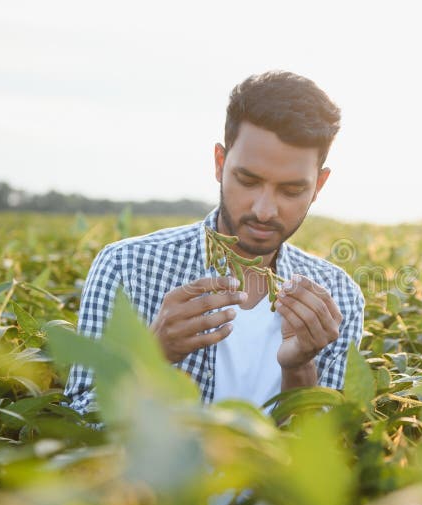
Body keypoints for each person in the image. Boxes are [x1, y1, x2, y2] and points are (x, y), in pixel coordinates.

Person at [64, 71, 365, 413]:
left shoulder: (338, 296)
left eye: (292, 190)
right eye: (248, 180)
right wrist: (152, 355)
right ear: (220, 163)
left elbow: (323, 453)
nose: (264, 210)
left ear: (319, 186)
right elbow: (78, 424)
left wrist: (299, 367)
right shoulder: (128, 267)